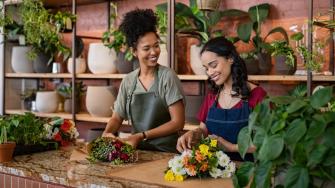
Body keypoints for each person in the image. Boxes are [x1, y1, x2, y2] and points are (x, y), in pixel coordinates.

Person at [102, 9, 185, 153]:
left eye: (156, 45)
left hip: (166, 152)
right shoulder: (128, 81)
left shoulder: (168, 77)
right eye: (146, 48)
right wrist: (107, 133)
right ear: (134, 51)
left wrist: (142, 136)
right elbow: (117, 117)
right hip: (138, 151)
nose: (154, 52)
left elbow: (178, 123)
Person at [176, 37, 267, 161]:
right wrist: (193, 134)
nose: (210, 72)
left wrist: (231, 147)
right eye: (206, 68)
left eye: (213, 65)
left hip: (246, 169)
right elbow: (204, 129)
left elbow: (268, 142)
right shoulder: (212, 96)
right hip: (213, 168)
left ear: (230, 58)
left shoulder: (258, 95)